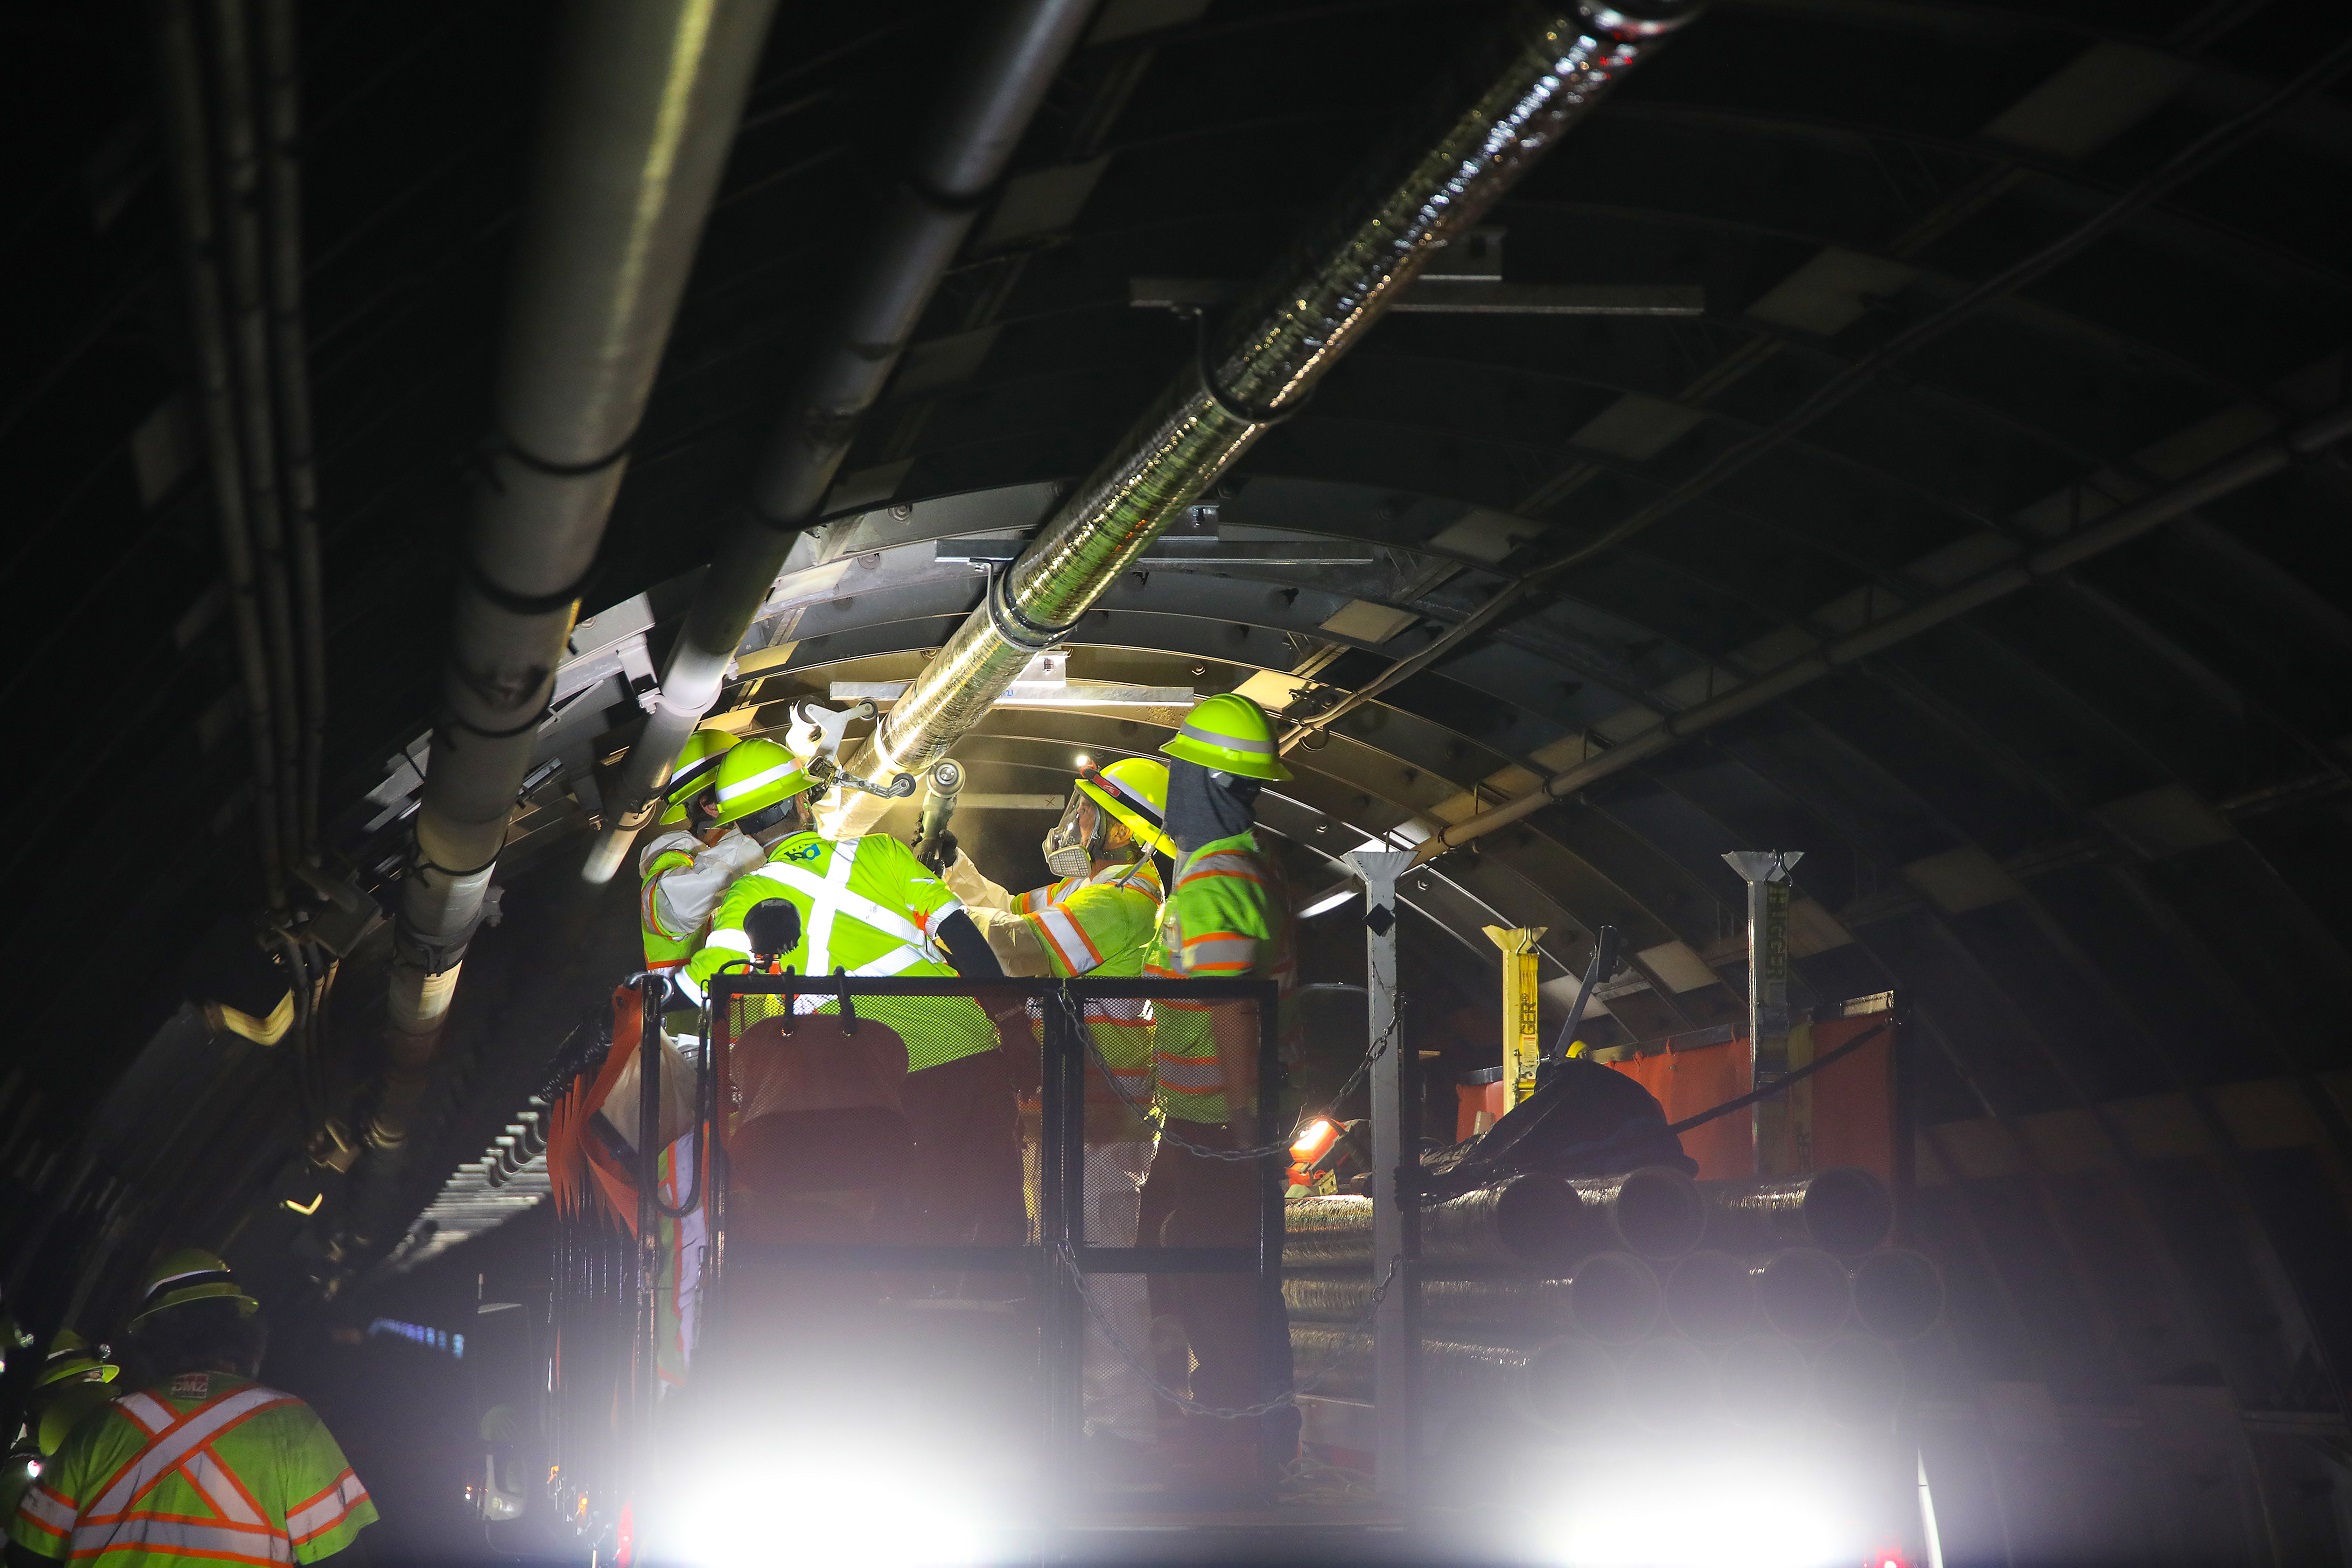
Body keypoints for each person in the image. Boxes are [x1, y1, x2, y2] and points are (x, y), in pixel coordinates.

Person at [678, 745, 1022, 1248]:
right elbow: (963, 936)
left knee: (910, 1225)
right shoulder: (881, 852)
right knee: (996, 1208)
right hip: (965, 1046)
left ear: (740, 827)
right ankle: (1009, 1311)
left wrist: (633, 998)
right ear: (802, 804)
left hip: (874, 1078)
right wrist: (1013, 1023)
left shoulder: (746, 896)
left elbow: (702, 984)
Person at [929, 758, 1172, 1457]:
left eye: (1089, 810)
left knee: (1103, 1277)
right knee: (1069, 1272)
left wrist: (936, 907)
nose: (1075, 819)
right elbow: (1008, 912)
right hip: (1071, 1117)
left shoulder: (1121, 901)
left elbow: (1013, 946)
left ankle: (1125, 1425)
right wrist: (957, 869)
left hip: (1098, 1120)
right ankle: (1086, 1416)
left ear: (1123, 833)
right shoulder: (1088, 892)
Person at [1138, 694, 1301, 1498]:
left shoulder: (1212, 877)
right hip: (1202, 1126)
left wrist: (1240, 1129)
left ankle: (1236, 1447)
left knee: (1221, 1287)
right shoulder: (1249, 862)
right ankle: (1251, 1434)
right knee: (1217, 1276)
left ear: (1196, 781)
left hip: (1219, 1127)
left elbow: (1233, 1003)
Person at [8, 1251, 375, 1567]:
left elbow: (29, 1556)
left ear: (153, 1340)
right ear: (241, 1331)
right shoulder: (291, 1424)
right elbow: (341, 1559)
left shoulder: (99, 1428)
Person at [1, 1334, 119, 1525]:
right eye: (83, 1382)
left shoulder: (99, 1457)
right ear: (39, 1400)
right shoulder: (23, 1471)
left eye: (97, 1381)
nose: (95, 1394)